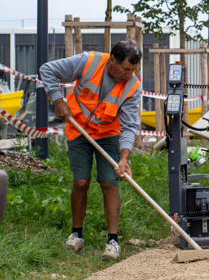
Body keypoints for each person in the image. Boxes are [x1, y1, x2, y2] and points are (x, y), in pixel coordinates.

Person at [39, 40, 142, 261]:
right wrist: (57, 100)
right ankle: (76, 234)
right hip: (78, 129)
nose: (129, 75)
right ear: (112, 60)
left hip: (108, 133)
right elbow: (47, 70)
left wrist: (124, 158)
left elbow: (130, 125)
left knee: (109, 182)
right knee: (81, 182)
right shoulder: (88, 62)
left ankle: (112, 240)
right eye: (126, 69)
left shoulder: (133, 86)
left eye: (133, 70)